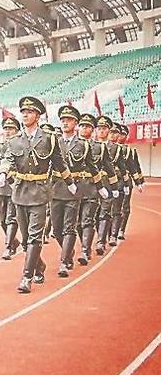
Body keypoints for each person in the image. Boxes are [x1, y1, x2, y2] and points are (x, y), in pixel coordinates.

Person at [0, 96, 74, 294]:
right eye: (23, 112)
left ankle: (26, 276)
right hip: (20, 192)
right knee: (24, 240)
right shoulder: (15, 140)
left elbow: (59, 162)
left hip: (39, 192)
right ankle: (39, 267)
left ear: (37, 116)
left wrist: (70, 182)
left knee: (34, 238)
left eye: (29, 112)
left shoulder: (48, 139)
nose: (25, 115)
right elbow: (7, 159)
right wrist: (3, 173)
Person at [50, 106, 107, 277]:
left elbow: (92, 167)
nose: (65, 122)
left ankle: (63, 262)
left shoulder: (83, 145)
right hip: (55, 190)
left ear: (75, 123)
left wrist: (100, 186)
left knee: (69, 228)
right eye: (62, 120)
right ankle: (68, 254)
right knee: (57, 230)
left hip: (74, 191)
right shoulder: (54, 141)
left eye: (68, 120)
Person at [77, 114, 119, 264]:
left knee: (94, 216)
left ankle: (95, 245)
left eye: (103, 128)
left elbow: (109, 167)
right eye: (82, 126)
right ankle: (85, 245)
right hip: (76, 187)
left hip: (96, 185)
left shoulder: (99, 148)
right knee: (78, 223)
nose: (101, 131)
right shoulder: (73, 145)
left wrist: (114, 187)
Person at [93, 116, 126, 255]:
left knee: (105, 212)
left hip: (108, 183)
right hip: (92, 184)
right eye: (99, 128)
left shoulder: (116, 149)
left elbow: (122, 167)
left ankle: (100, 242)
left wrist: (121, 185)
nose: (101, 131)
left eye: (104, 128)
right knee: (94, 214)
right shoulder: (91, 145)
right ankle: (103, 234)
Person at [0, 117, 21, 260]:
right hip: (0, 185)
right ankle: (14, 242)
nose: (8, 132)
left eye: (11, 129)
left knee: (11, 218)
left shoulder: (19, 145)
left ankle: (8, 247)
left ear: (17, 131)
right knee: (2, 220)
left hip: (15, 184)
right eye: (6, 129)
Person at [116, 124, 145, 240]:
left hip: (126, 181)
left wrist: (140, 182)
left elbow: (135, 167)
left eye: (123, 134)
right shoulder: (109, 148)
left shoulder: (130, 151)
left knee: (125, 207)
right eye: (120, 133)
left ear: (127, 136)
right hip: (112, 181)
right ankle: (112, 230)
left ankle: (121, 230)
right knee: (112, 207)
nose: (121, 136)